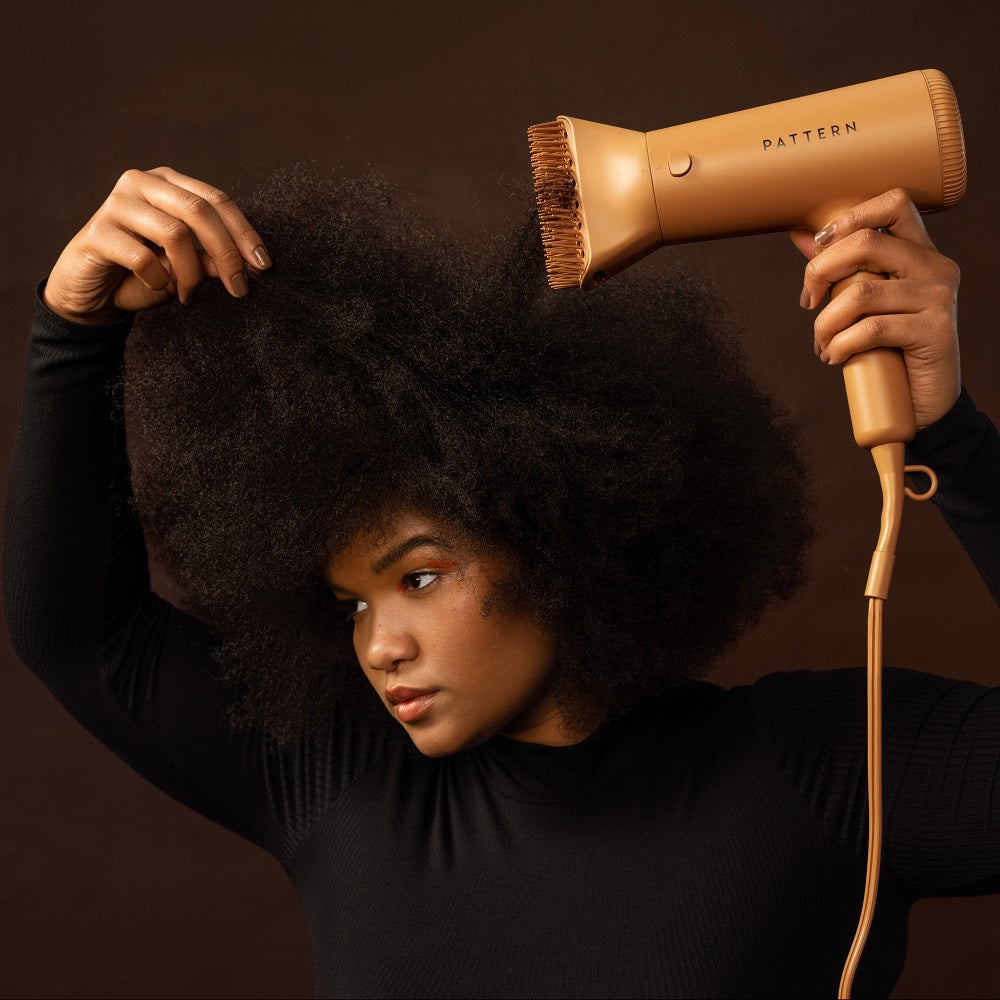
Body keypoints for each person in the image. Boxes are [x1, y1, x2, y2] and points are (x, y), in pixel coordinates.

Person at [4, 165, 998, 998]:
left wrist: (950, 436)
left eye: (420, 577)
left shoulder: (830, 770)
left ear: (561, 537)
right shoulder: (339, 781)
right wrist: (71, 331)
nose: (378, 643)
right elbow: (81, 637)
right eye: (352, 603)